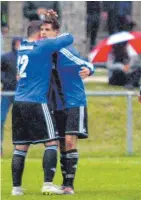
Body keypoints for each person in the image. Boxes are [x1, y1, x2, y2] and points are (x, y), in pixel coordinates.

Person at [11, 20, 74, 196]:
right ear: (39, 33)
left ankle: (16, 188)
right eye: (43, 31)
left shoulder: (22, 47)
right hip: (36, 101)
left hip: (18, 102)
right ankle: (48, 183)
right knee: (52, 142)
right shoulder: (43, 46)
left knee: (21, 147)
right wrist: (53, 32)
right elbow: (69, 38)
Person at [40, 11, 94, 195]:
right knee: (60, 143)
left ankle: (69, 184)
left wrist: (89, 69)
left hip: (74, 101)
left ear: (56, 33)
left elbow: (86, 63)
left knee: (70, 141)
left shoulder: (64, 50)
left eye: (47, 29)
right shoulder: (43, 52)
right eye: (42, 29)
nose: (43, 33)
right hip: (56, 104)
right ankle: (63, 184)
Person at [1, 37, 22, 156]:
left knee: (19, 121)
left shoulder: (25, 58)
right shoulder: (6, 57)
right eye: (17, 44)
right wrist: (6, 80)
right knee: (0, 119)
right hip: (7, 93)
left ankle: (18, 148)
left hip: (20, 94)